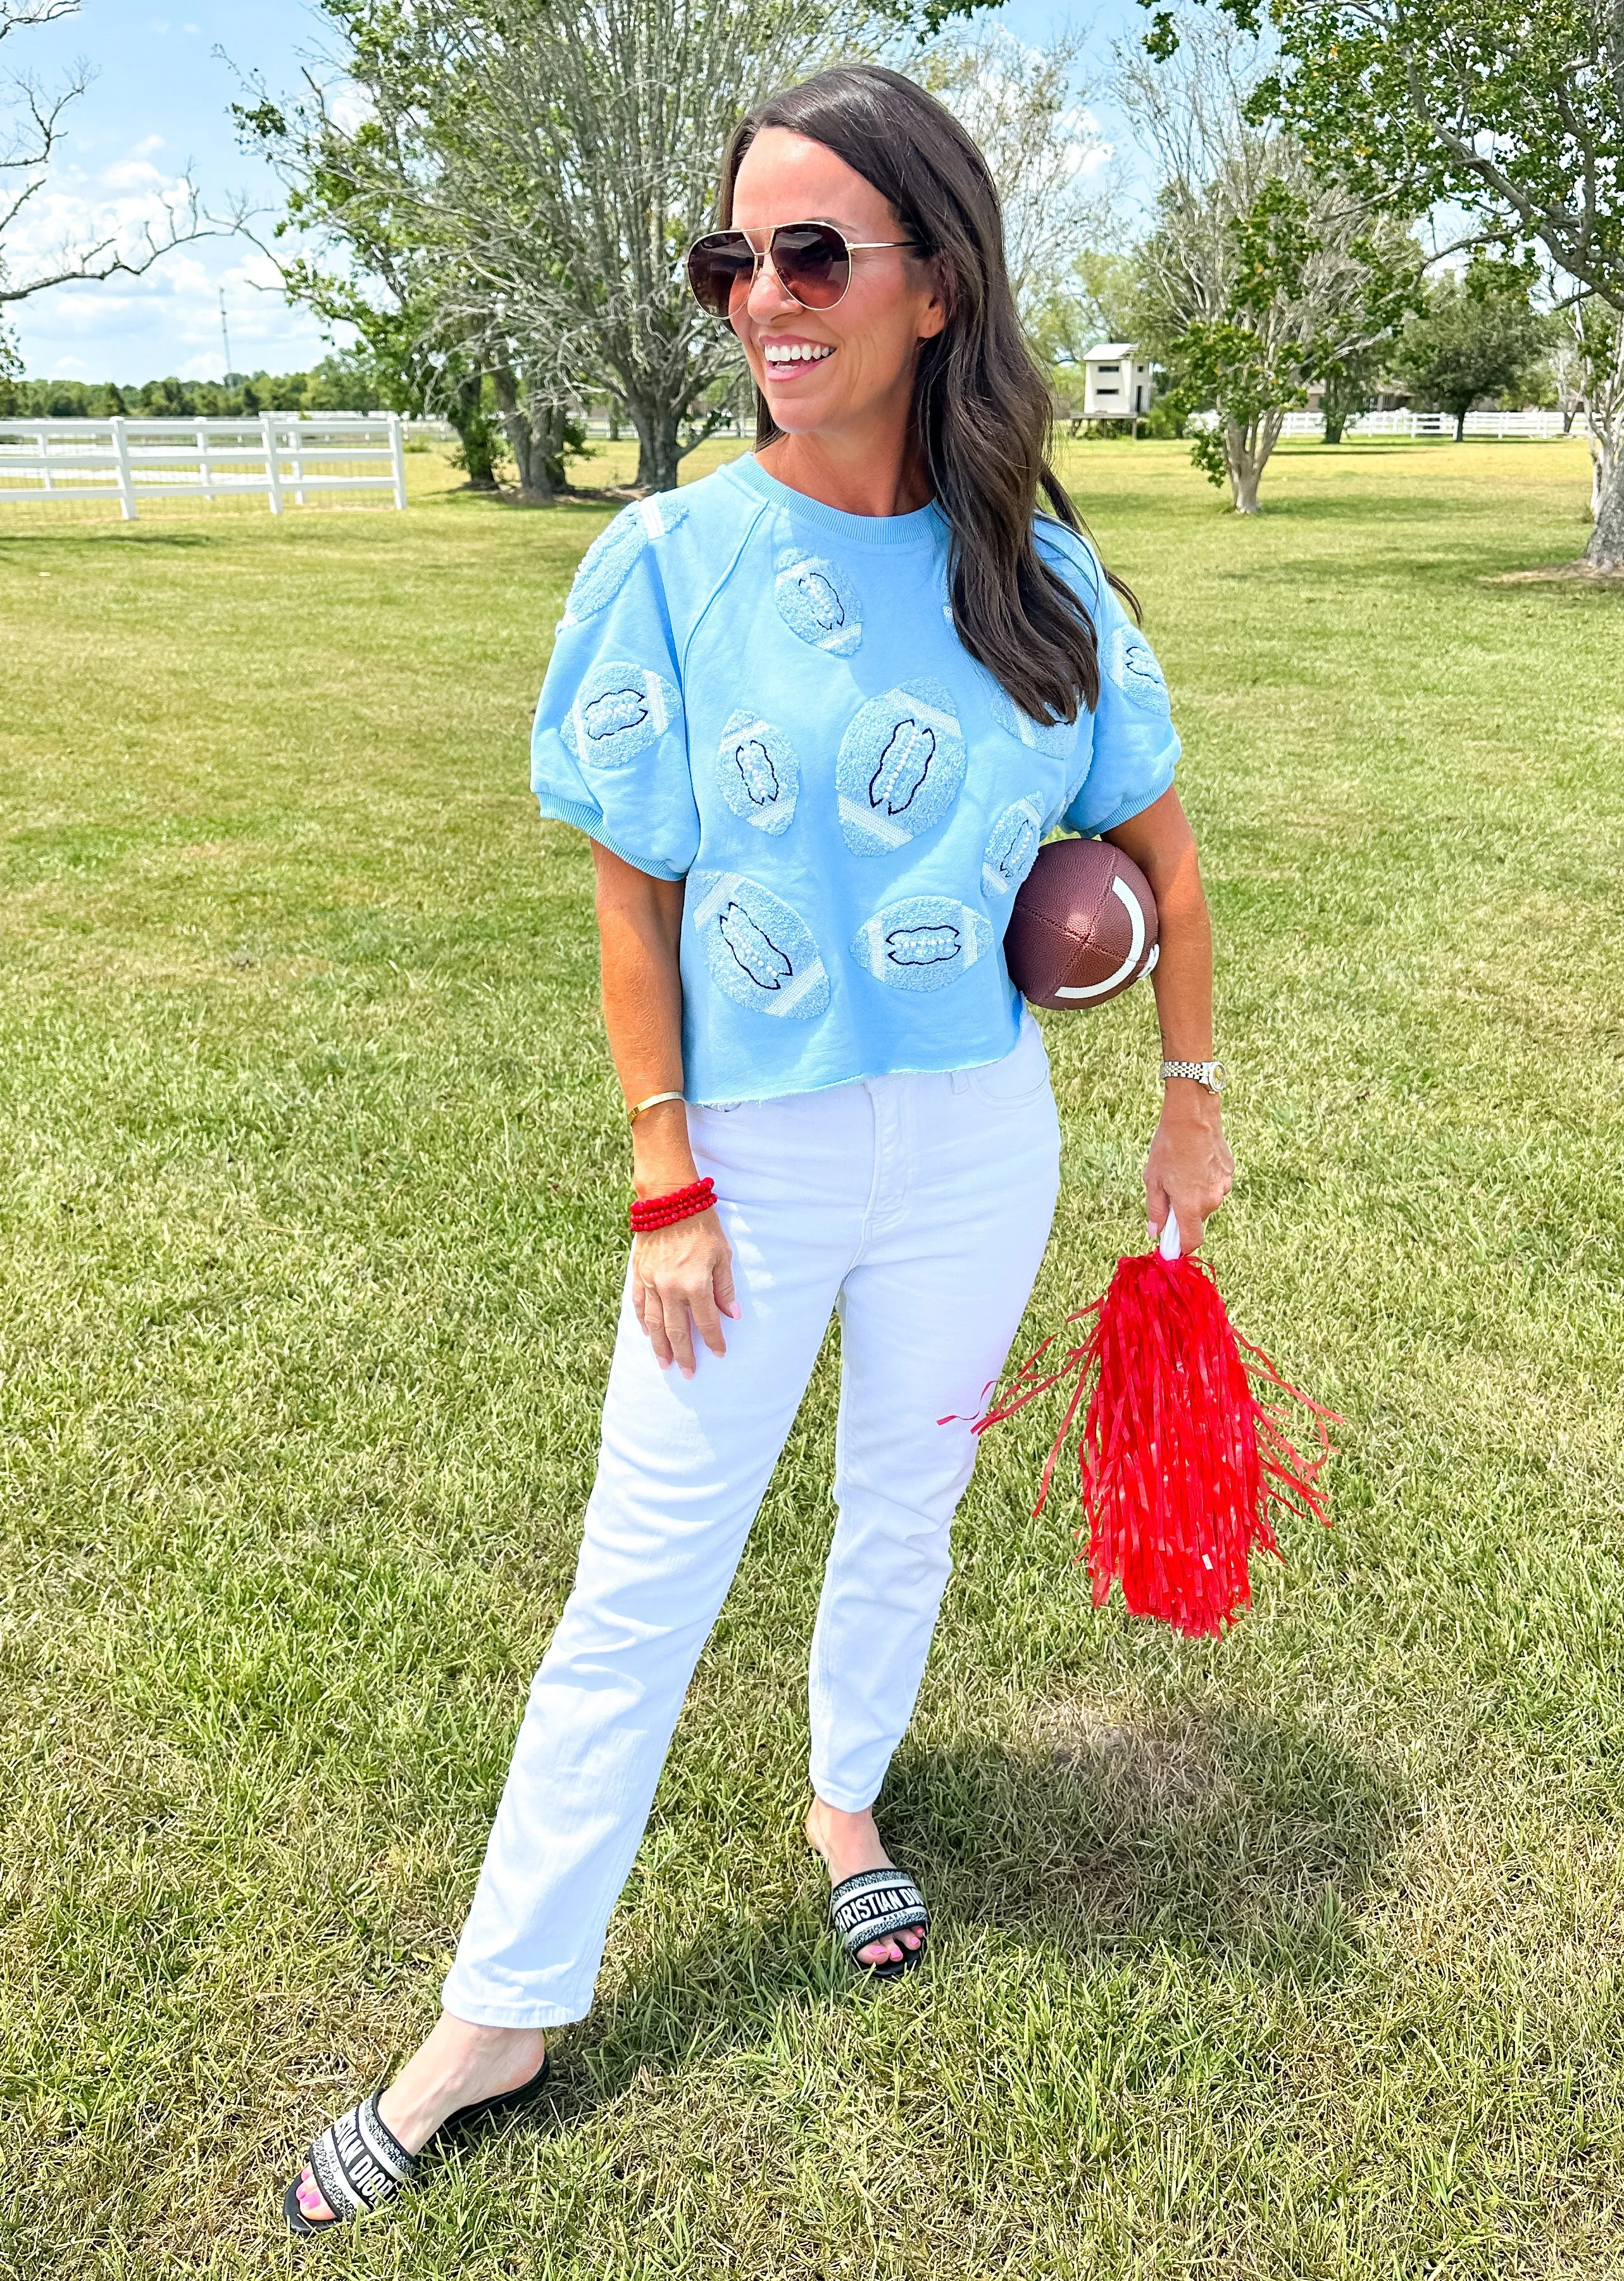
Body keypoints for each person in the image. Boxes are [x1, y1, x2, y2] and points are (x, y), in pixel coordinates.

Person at [284, 61, 1232, 2234]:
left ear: (934, 285)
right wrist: (664, 1168)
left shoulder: (1041, 570)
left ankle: (838, 1798)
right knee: (642, 1578)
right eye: (738, 260)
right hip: (757, 1156)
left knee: (907, 1498)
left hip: (980, 1136)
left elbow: (1161, 852)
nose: (765, 299)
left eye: (814, 254)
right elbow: (628, 883)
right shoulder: (671, 559)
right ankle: (500, 2007)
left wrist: (1182, 1094)